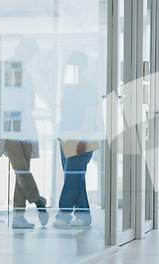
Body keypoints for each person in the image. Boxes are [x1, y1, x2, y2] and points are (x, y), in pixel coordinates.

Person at [0, 38, 48, 229]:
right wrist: (9, 94)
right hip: (6, 124)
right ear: (17, 49)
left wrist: (25, 98)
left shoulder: (27, 73)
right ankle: (37, 200)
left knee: (23, 168)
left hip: (25, 123)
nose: (27, 58)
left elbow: (31, 100)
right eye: (25, 53)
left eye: (30, 56)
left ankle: (19, 218)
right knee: (20, 167)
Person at [53, 51, 101, 228]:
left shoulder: (88, 88)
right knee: (75, 177)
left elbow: (90, 115)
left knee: (73, 176)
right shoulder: (70, 88)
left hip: (81, 138)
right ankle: (84, 215)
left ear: (84, 67)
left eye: (77, 65)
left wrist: (84, 139)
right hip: (66, 138)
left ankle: (63, 215)